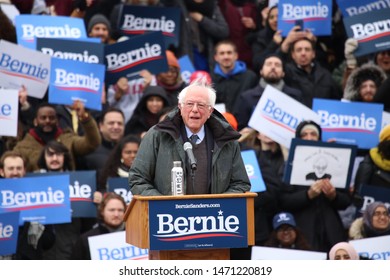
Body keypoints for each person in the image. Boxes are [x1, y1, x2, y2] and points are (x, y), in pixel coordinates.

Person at [129, 78, 251, 195]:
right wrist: (165, 204)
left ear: (210, 111)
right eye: (189, 104)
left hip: (213, 215)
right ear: (180, 107)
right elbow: (138, 180)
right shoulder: (157, 135)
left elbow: (240, 184)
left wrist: (217, 205)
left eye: (201, 105)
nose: (194, 110)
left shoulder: (226, 139)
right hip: (169, 214)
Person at [278, 120, 351, 252]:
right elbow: (282, 201)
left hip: (331, 232)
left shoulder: (334, 163)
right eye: (304, 134)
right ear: (298, 139)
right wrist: (307, 195)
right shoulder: (289, 166)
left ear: (319, 138)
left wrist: (333, 196)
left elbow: (345, 201)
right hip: (303, 233)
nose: (309, 138)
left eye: (313, 134)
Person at [12, 102, 101, 172]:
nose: (47, 121)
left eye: (51, 118)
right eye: (43, 118)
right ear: (35, 121)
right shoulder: (23, 147)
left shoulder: (68, 139)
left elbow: (92, 143)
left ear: (57, 121)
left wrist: (85, 118)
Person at [0, 151, 55, 260]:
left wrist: (36, 227)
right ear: (2, 172)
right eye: (11, 168)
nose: (15, 172)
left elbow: (49, 241)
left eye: (19, 168)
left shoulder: (38, 198)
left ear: (24, 170)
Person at [234, 53, 303, 130]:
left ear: (283, 73)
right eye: (268, 64)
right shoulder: (247, 97)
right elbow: (241, 127)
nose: (273, 67)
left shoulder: (295, 96)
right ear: (261, 71)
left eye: (277, 65)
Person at [279, 34, 342, 108]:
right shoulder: (286, 73)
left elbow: (337, 101)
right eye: (299, 50)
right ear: (293, 55)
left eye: (307, 49)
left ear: (313, 54)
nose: (303, 53)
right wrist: (282, 50)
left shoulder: (325, 75)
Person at [71, 192, 127, 260]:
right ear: (102, 211)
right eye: (112, 210)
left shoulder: (137, 237)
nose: (116, 214)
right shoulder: (85, 240)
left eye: (120, 210)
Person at [211, 40, 258, 113]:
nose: (226, 56)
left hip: (244, 122)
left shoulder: (250, 77)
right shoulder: (210, 79)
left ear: (236, 56)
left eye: (229, 53)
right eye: (222, 53)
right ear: (216, 57)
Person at [81, 107, 125, 172]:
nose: (116, 127)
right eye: (111, 123)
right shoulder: (88, 150)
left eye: (120, 123)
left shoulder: (132, 150)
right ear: (101, 126)